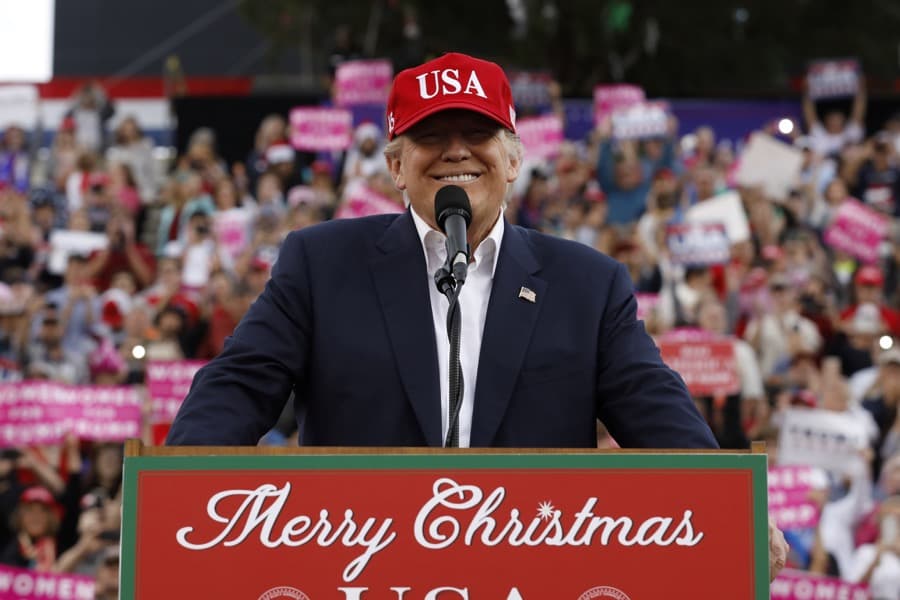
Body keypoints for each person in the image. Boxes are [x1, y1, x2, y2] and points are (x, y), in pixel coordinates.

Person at [165, 52, 787, 575]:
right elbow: (238, 385)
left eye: (477, 134)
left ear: (513, 160)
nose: (455, 151)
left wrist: (729, 502)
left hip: (532, 575)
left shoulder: (587, 283)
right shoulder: (321, 263)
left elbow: (654, 407)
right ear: (395, 166)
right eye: (431, 135)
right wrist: (177, 494)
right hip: (358, 572)